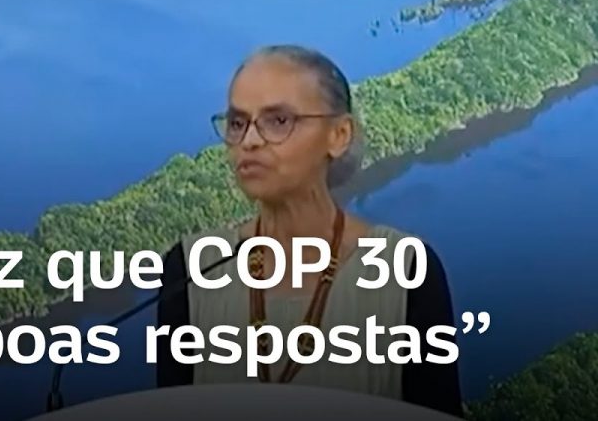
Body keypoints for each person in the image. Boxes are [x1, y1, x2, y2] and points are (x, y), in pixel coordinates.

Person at [156, 45, 463, 417]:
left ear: (339, 134)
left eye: (278, 121)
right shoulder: (192, 270)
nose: (249, 141)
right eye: (237, 123)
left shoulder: (405, 270)